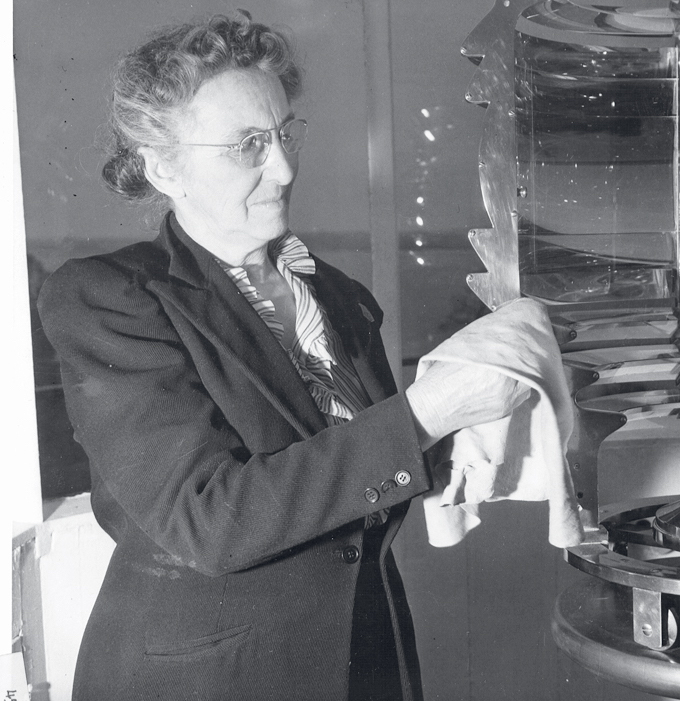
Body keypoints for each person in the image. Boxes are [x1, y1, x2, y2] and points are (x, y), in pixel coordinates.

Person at [37, 12, 531, 701]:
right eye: (248, 145)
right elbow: (209, 522)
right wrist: (425, 414)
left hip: (366, 659)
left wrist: (467, 429)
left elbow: (353, 472)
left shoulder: (337, 297)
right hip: (210, 681)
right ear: (164, 166)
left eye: (283, 135)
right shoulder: (111, 298)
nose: (285, 168)